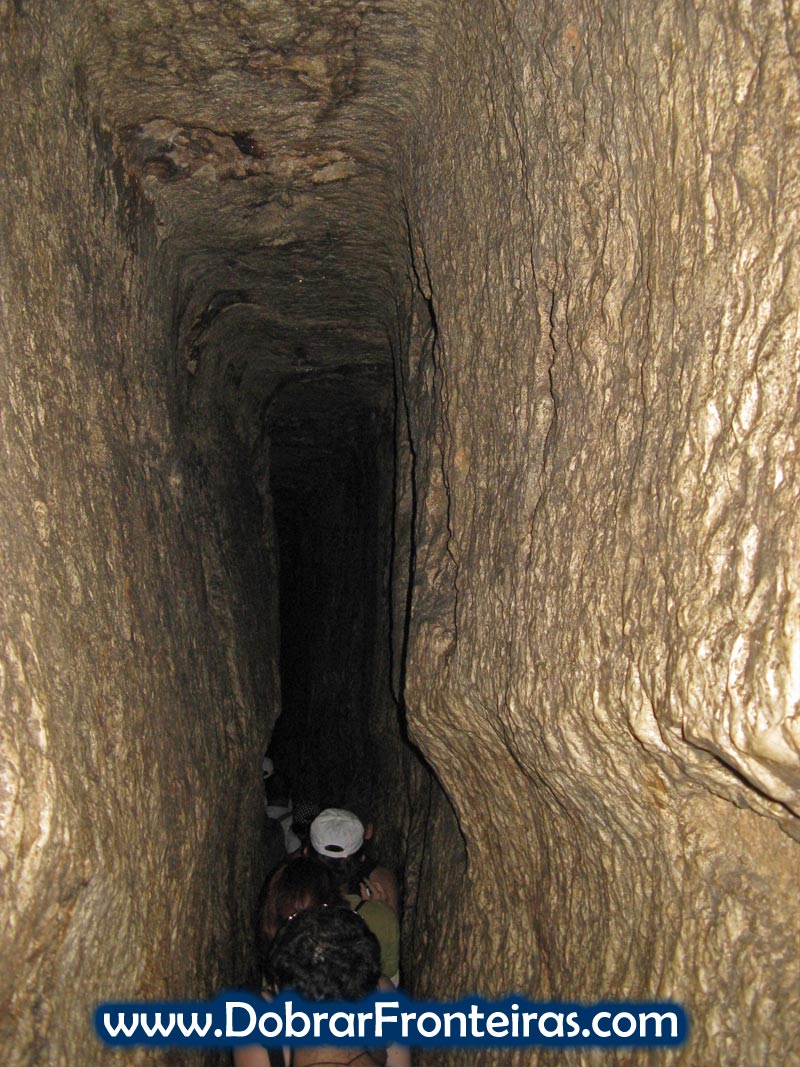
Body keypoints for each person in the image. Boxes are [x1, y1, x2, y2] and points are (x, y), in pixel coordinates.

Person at [308, 810, 400, 986]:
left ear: (308, 854)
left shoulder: (292, 905)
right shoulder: (379, 916)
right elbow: (388, 976)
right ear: (361, 859)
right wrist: (378, 910)